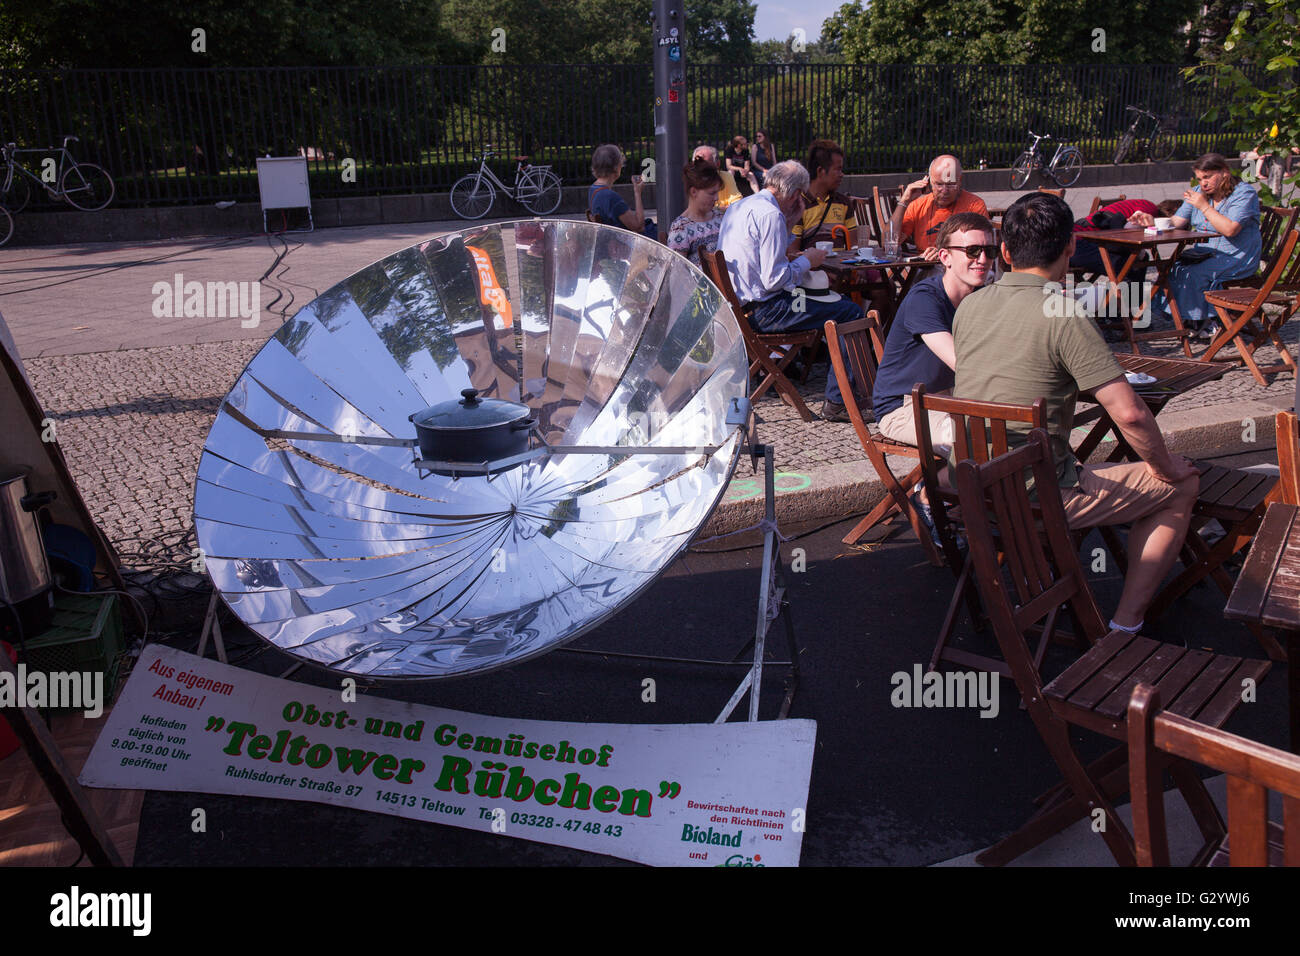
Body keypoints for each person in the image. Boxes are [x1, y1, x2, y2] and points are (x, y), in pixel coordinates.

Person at [952, 191, 1201, 633]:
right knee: (1182, 485)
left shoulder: (970, 305)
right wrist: (1166, 468)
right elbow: (1130, 415)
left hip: (973, 483)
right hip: (1035, 494)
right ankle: (1126, 625)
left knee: (1076, 457)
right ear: (1070, 246)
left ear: (1005, 251)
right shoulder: (1063, 312)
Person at [717, 159, 863, 422]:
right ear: (795, 194)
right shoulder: (770, 214)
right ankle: (838, 401)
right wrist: (809, 261)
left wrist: (791, 222)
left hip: (740, 309)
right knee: (850, 311)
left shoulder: (739, 207)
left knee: (830, 301)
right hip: (767, 312)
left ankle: (839, 392)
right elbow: (774, 280)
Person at [873, 212, 997, 451]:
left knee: (1020, 432)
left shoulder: (981, 296)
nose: (983, 259)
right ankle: (931, 489)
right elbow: (963, 364)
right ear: (945, 256)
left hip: (949, 399)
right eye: (972, 251)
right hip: (903, 408)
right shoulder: (925, 299)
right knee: (977, 443)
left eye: (989, 251)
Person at [1148, 152, 1262, 341]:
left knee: (1194, 273)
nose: (1203, 183)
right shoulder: (1199, 193)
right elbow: (1176, 221)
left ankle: (1206, 321)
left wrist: (1204, 207)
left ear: (1224, 172)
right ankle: (1193, 320)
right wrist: (1151, 221)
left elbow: (1230, 229)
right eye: (1200, 178)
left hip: (1236, 256)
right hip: (1207, 253)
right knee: (1174, 267)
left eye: (1207, 177)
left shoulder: (1243, 193)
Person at [891, 155, 988, 259]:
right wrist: (904, 201)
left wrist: (946, 253)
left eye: (951, 184)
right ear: (928, 182)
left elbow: (982, 244)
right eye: (939, 184)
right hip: (926, 266)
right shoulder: (918, 205)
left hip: (961, 266)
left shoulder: (974, 205)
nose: (945, 190)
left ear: (960, 181)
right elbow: (890, 243)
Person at [790, 139, 856, 251]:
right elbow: (792, 253)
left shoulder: (844, 202)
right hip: (811, 267)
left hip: (841, 266)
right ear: (820, 171)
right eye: (838, 169)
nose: (842, 174)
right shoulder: (798, 205)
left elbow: (854, 246)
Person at [588, 144, 656, 239]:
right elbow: (639, 227)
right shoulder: (611, 197)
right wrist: (637, 192)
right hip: (619, 246)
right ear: (616, 167)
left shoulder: (593, 189)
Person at [667, 159, 725, 261]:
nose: (716, 198)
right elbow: (677, 271)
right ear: (694, 192)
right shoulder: (680, 228)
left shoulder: (720, 218)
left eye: (717, 193)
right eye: (711, 193)